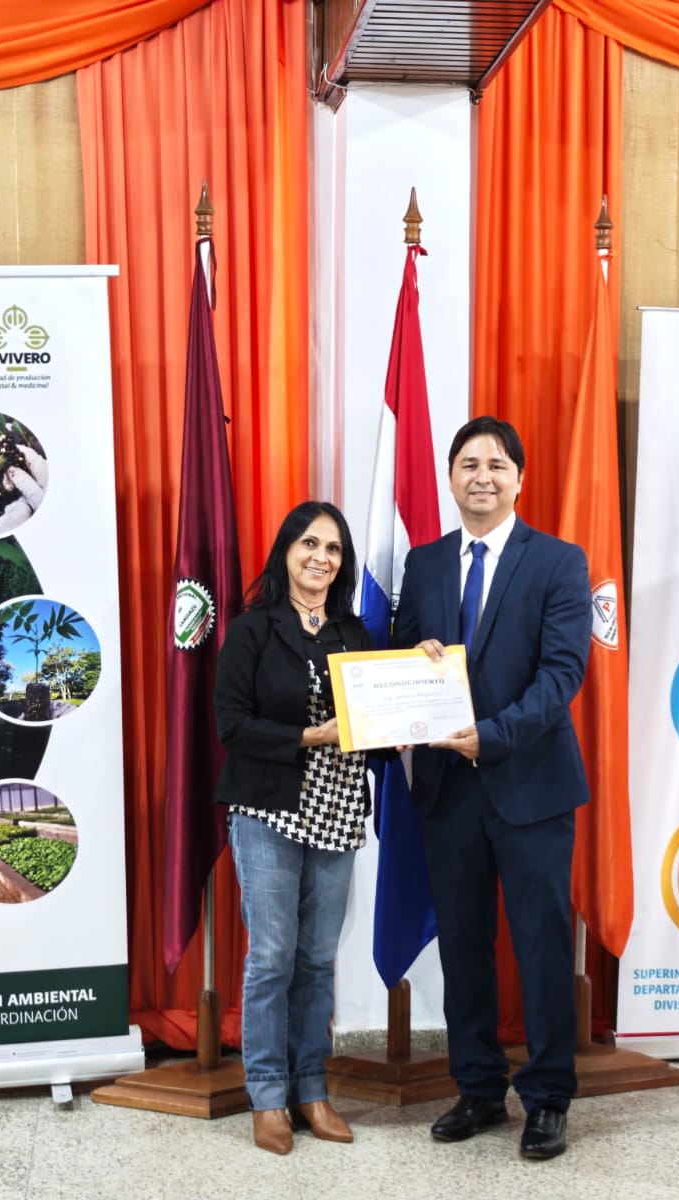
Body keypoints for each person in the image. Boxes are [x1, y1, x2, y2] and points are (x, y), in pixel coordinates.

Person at [394, 415, 590, 1162]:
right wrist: (412, 660)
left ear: (519, 480)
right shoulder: (424, 563)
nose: (482, 476)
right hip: (447, 787)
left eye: (497, 464)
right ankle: (477, 1087)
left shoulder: (559, 562)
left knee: (540, 944)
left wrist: (494, 735)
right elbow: (402, 658)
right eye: (469, 464)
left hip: (530, 782)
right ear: (451, 478)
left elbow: (562, 674)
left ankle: (548, 1098)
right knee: (464, 945)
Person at [212, 500, 374, 1156]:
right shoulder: (252, 629)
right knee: (273, 955)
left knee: (316, 958)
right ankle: (267, 1094)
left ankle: (312, 1088)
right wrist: (309, 736)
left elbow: (378, 718)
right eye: (309, 543)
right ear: (286, 551)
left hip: (338, 808)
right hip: (268, 808)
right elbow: (231, 725)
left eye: (333, 548)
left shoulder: (356, 634)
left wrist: (414, 697)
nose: (320, 557)